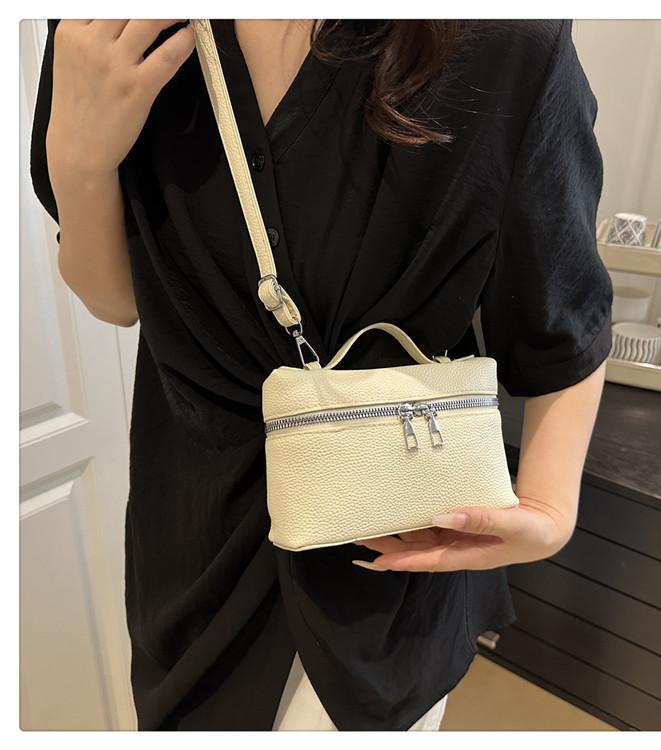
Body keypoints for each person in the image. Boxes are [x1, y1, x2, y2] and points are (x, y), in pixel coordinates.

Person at [29, 18, 613, 731]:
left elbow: (560, 312)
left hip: (393, 542)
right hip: (193, 536)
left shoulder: (502, 34)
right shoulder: (107, 26)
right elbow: (120, 300)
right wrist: (80, 166)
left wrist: (551, 506)